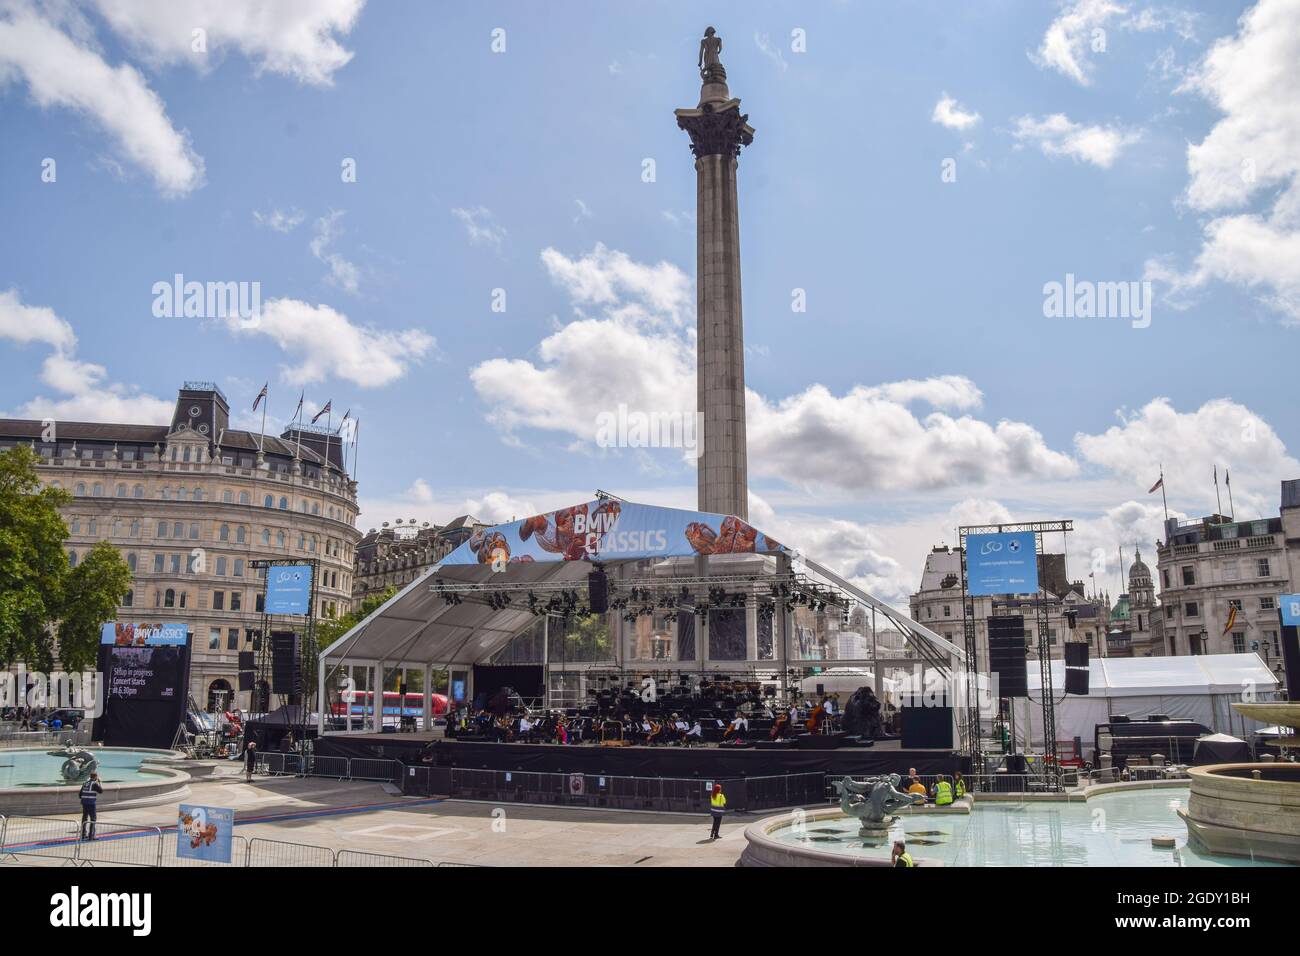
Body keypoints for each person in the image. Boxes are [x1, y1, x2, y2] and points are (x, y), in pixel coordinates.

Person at [79, 772, 103, 841]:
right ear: (95, 777)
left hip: (84, 803)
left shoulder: (85, 783)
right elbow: (101, 791)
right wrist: (100, 782)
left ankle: (83, 835)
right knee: (93, 819)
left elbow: (80, 795)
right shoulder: (94, 784)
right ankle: (91, 836)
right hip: (91, 803)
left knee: (84, 819)